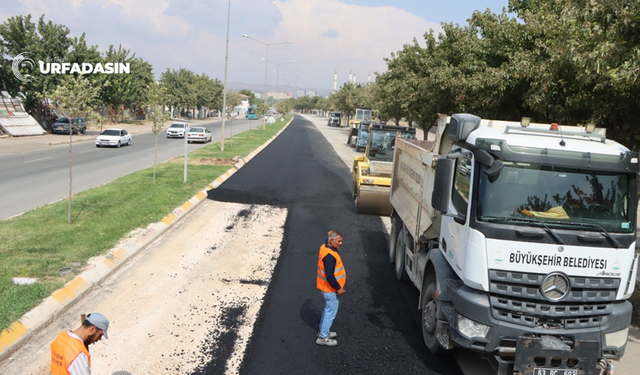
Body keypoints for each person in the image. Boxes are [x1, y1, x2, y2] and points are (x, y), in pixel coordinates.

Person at [316, 230, 346, 347]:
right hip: (330, 289)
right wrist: (339, 288)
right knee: (330, 313)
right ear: (332, 241)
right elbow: (330, 276)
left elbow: (326, 239)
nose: (341, 243)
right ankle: (323, 337)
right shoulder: (329, 257)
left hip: (325, 288)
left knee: (327, 310)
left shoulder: (324, 246)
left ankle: (323, 330)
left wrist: (330, 233)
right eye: (339, 241)